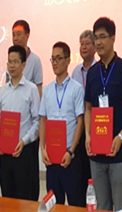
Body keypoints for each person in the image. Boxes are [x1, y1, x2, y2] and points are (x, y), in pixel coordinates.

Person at [84, 17, 122, 211]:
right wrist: (88, 135)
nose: (98, 42)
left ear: (113, 38)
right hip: (96, 154)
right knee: (102, 206)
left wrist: (121, 136)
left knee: (120, 207)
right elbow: (88, 107)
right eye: (96, 38)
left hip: (119, 153)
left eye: (102, 37)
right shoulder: (92, 73)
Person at [39, 42, 85, 207]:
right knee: (53, 204)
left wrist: (71, 151)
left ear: (68, 60)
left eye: (59, 58)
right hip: (52, 157)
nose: (55, 62)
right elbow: (43, 119)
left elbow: (80, 122)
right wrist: (42, 148)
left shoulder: (76, 89)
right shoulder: (47, 90)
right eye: (53, 59)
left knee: (75, 203)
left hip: (69, 157)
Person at [0, 45, 40, 201]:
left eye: (15, 62)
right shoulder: (3, 90)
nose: (12, 66)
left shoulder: (31, 89)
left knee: (23, 198)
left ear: (23, 65)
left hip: (23, 151)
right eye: (9, 62)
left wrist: (24, 141)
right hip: (5, 152)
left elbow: (37, 121)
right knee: (7, 197)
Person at [70, 29, 96, 196]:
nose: (84, 47)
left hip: (96, 126)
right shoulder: (75, 71)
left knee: (94, 172)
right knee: (80, 173)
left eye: (87, 44)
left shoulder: (99, 69)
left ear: (95, 47)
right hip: (79, 126)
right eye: (81, 44)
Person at [11, 20, 43, 97]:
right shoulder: (10, 60)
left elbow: (39, 90)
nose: (15, 38)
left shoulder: (35, 60)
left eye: (18, 34)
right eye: (13, 35)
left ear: (27, 35)